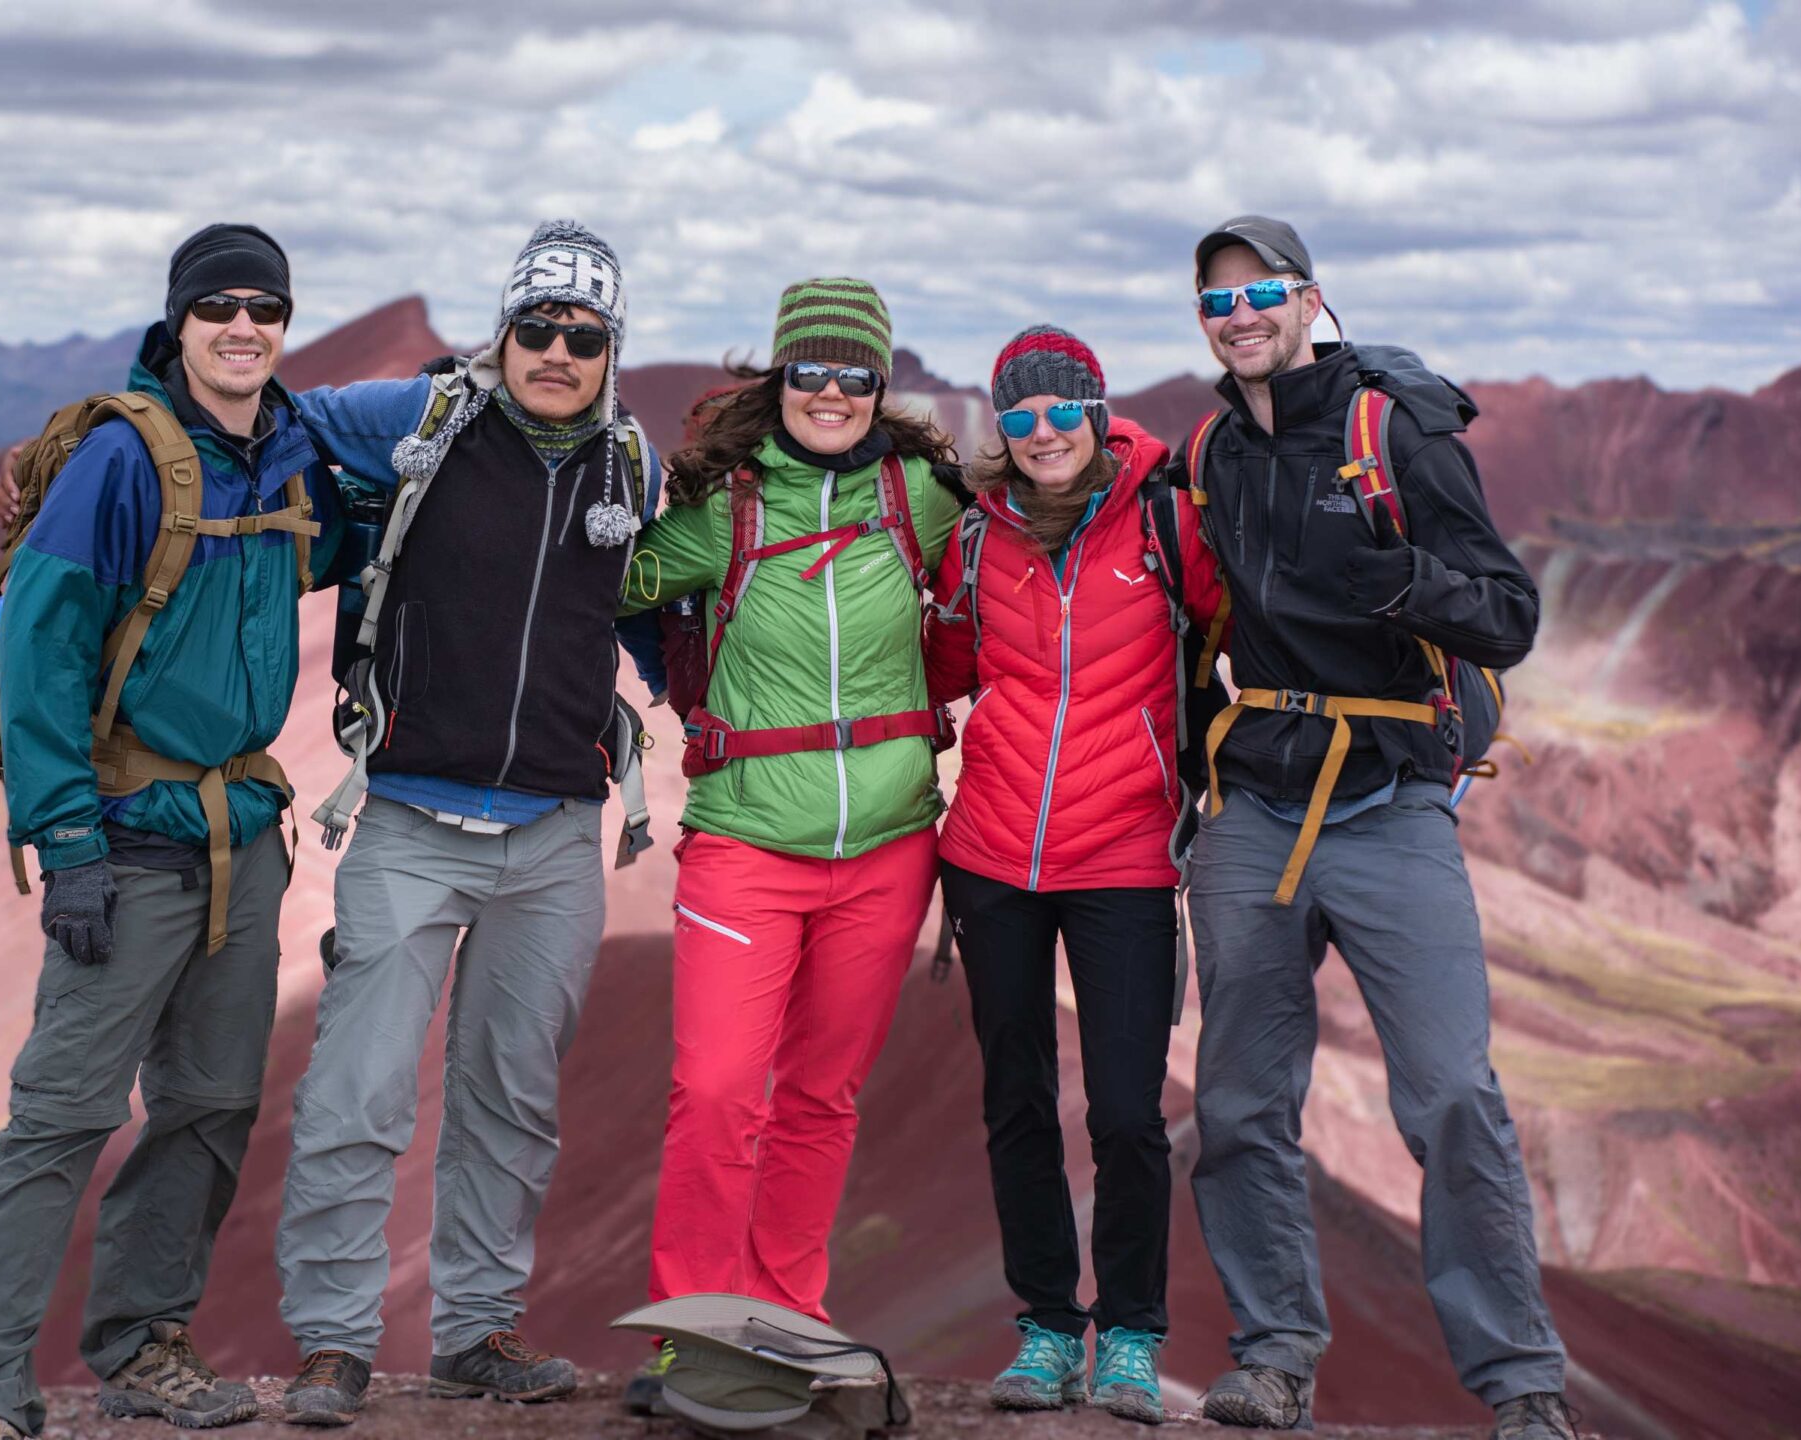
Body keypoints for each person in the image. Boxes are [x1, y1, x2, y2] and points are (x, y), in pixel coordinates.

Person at [0, 223, 344, 1440]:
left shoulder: (291, 453)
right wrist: (65, 843)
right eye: (217, 305)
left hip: (240, 838)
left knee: (213, 1104)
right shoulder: (122, 465)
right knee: (61, 1116)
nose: (242, 327)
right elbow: (42, 641)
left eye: (264, 308)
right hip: (120, 841)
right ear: (178, 324)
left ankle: (141, 1344)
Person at [1174, 216, 1573, 1440]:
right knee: (1240, 1103)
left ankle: (1521, 1390)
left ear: (1309, 301)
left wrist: (1399, 579)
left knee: (1450, 1092)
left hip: (1390, 801)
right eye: (1217, 300)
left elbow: (1505, 615)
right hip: (1255, 807)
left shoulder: (1392, 429)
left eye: (1263, 293)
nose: (1240, 316)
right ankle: (1276, 1355)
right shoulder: (1208, 450)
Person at [266, 220, 661, 1427]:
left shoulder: (628, 469)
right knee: (358, 1089)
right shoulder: (425, 421)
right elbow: (272, 417)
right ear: (503, 330)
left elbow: (645, 612)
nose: (554, 350)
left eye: (581, 335)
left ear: (611, 347)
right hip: (409, 816)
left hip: (554, 832)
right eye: (534, 326)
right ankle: (332, 1343)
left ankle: (475, 1331)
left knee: (509, 1096)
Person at [616, 279, 959, 1406]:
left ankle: (788, 1316)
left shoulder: (923, 497)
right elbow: (606, 580)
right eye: (809, 369)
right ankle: (695, 1333)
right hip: (748, 842)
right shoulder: (730, 506)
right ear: (780, 378)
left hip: (890, 850)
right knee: (717, 1089)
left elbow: (1044, 529)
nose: (831, 391)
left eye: (854, 373)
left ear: (881, 385)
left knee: (820, 1096)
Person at [921, 325, 1222, 1425]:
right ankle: (1047, 1329)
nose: (1040, 433)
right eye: (1018, 415)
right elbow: (948, 668)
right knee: (1015, 1103)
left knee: (1132, 1113)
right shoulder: (972, 539)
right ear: (998, 427)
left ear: (1096, 413)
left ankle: (1130, 1336)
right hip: (992, 858)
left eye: (1060, 410)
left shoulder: (1161, 517)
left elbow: (1232, 627)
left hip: (1125, 858)